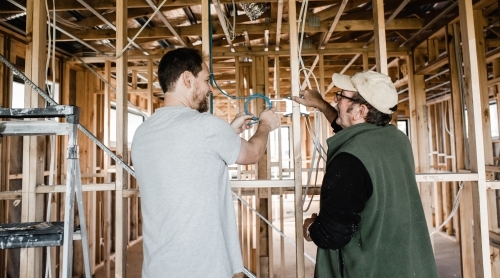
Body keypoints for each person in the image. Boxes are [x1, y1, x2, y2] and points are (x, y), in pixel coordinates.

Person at [131, 48, 280, 278]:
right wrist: (266, 126)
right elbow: (251, 154)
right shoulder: (205, 126)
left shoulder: (141, 134)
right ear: (187, 79)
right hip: (202, 268)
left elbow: (189, 158)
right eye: (206, 80)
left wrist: (229, 133)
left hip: (157, 268)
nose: (210, 88)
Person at [292, 70, 439, 278]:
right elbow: (355, 132)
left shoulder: (348, 161)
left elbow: (332, 235)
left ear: (360, 111)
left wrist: (310, 229)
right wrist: (322, 105)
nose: (336, 99)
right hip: (406, 267)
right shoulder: (397, 139)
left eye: (341, 96)